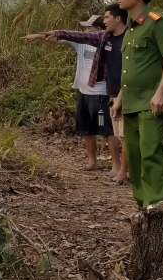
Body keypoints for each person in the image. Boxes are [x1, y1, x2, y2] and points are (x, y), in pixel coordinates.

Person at [110, 0, 163, 209]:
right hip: (130, 102)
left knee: (150, 152)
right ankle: (143, 205)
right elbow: (130, 69)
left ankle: (157, 206)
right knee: (135, 157)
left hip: (152, 102)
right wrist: (119, 99)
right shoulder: (130, 29)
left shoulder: (157, 23)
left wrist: (161, 93)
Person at [23, 14, 119, 174]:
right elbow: (58, 40)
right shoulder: (81, 42)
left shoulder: (107, 43)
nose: (85, 30)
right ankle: (92, 162)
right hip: (84, 92)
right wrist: (39, 37)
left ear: (98, 29)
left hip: (101, 93)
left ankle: (117, 166)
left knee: (108, 130)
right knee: (86, 129)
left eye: (89, 27)